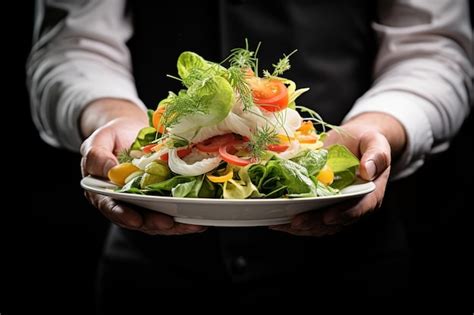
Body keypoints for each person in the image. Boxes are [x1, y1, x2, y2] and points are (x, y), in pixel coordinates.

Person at [27, 0, 472, 312]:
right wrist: (113, 116)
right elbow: (73, 40)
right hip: (150, 274)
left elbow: (434, 46)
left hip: (350, 273)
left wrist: (381, 127)